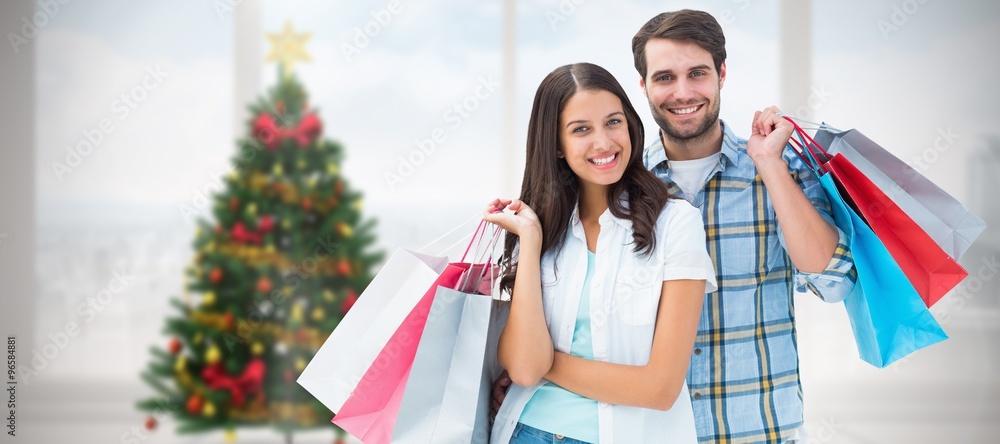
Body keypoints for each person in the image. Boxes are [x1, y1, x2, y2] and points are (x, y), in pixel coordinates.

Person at [494, 10, 858, 444]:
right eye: (665, 77)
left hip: (754, 427)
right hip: (653, 431)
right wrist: (527, 376)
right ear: (643, 87)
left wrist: (770, 168)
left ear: (722, 74)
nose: (683, 92)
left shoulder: (780, 170)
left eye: (698, 73)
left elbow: (832, 283)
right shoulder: (618, 185)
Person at [483, 62, 718, 443]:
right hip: (526, 432)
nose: (604, 142)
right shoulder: (542, 229)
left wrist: (545, 362)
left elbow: (658, 389)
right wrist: (529, 240)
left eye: (613, 122)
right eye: (581, 130)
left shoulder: (676, 224)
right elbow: (524, 372)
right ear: (556, 145)